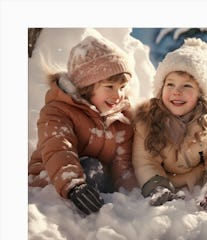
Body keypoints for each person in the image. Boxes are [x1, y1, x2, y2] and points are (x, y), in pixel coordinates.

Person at [28, 34, 138, 215]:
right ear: (86, 87)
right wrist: (73, 184)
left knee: (100, 172)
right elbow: (59, 149)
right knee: (92, 166)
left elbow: (122, 163)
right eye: (109, 86)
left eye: (122, 87)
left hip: (92, 182)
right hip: (51, 180)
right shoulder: (58, 112)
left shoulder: (120, 118)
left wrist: (134, 195)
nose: (118, 95)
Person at [132, 37, 207, 210]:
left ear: (201, 94)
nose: (176, 92)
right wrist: (156, 186)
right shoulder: (147, 121)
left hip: (201, 179)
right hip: (166, 179)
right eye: (170, 84)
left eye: (186, 86)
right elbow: (145, 161)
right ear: (160, 89)